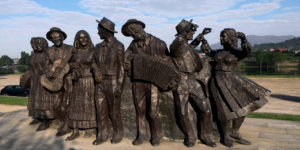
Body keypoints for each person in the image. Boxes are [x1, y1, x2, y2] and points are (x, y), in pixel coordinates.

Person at [200, 28, 270, 147]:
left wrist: (244, 40)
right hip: (217, 81)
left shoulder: (236, 53)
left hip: (233, 81)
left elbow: (247, 51)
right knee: (223, 109)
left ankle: (235, 132)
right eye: (221, 36)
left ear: (231, 38)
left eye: (223, 36)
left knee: (243, 106)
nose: (221, 39)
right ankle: (225, 136)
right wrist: (203, 40)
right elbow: (207, 51)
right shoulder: (218, 52)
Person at [122, 19, 169, 146]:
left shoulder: (159, 43)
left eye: (133, 31)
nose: (133, 35)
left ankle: (157, 135)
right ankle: (141, 135)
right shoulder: (133, 45)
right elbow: (125, 59)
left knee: (153, 111)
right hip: (138, 81)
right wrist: (129, 63)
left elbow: (168, 61)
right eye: (130, 33)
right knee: (139, 110)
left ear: (140, 29)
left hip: (153, 82)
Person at [169, 19, 216, 147]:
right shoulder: (176, 44)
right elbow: (179, 44)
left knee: (205, 110)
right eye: (191, 31)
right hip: (181, 81)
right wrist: (188, 29)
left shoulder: (184, 45)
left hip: (193, 80)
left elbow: (188, 48)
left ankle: (205, 135)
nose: (192, 34)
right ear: (184, 32)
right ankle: (190, 136)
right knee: (183, 112)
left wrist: (199, 37)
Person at [92, 17, 125, 145]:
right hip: (100, 83)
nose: (98, 33)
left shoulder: (119, 46)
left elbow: (122, 68)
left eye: (99, 30)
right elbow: (94, 62)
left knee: (114, 111)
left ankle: (118, 133)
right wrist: (96, 71)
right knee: (100, 110)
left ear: (106, 31)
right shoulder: (98, 47)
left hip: (113, 81)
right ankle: (102, 134)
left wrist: (119, 86)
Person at [65, 30, 97, 141]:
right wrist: (74, 67)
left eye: (85, 37)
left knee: (88, 104)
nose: (83, 40)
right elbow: (69, 63)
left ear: (88, 38)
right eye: (80, 38)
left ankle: (89, 128)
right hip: (77, 81)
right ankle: (75, 129)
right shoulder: (75, 52)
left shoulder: (93, 50)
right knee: (76, 104)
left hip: (89, 81)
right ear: (77, 40)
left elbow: (96, 65)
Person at [44, 27, 75, 136]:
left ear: (62, 36)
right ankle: (63, 122)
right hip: (55, 81)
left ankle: (66, 125)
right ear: (51, 40)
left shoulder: (70, 49)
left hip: (68, 79)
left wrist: (67, 67)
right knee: (56, 105)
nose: (56, 39)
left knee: (67, 102)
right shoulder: (49, 51)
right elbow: (47, 65)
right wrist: (49, 71)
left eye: (58, 36)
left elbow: (77, 62)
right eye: (53, 37)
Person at [26, 37, 50, 131]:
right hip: (35, 80)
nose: (39, 46)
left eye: (41, 44)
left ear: (44, 45)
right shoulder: (34, 55)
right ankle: (37, 117)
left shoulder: (46, 55)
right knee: (35, 99)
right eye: (37, 44)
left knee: (43, 100)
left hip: (43, 79)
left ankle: (45, 121)